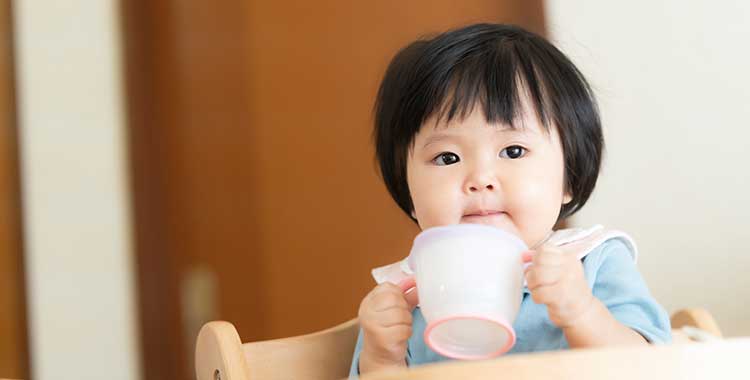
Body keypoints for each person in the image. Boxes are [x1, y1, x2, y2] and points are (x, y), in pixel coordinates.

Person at [350, 23, 671, 377]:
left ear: (570, 176)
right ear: (408, 192)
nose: (480, 180)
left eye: (513, 150)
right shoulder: (406, 293)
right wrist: (382, 359)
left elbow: (650, 369)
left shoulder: (591, 262)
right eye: (447, 158)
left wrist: (581, 312)